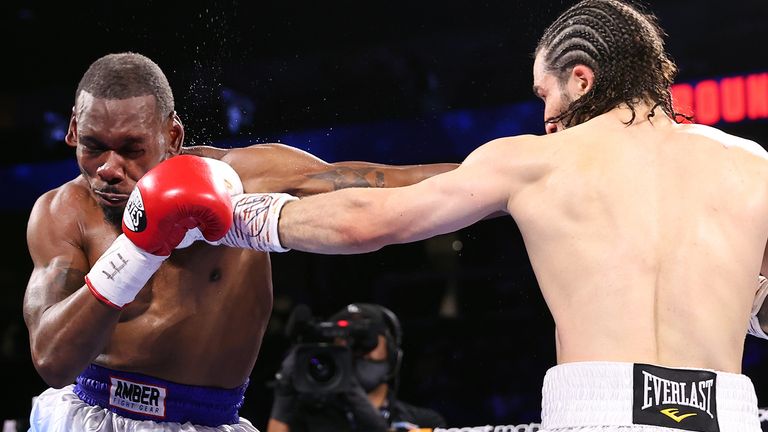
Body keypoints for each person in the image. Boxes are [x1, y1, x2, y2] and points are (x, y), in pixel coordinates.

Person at [243, 0, 768, 430]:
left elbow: (367, 219)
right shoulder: (753, 164)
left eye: (545, 94)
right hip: (725, 415)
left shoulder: (531, 160)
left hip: (599, 411)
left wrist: (243, 217)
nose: (545, 118)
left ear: (581, 80)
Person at [22, 52, 458, 431]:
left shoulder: (242, 178)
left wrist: (512, 179)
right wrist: (137, 249)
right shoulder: (63, 212)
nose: (109, 169)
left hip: (209, 421)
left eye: (132, 148)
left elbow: (398, 184)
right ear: (74, 130)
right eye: (94, 146)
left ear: (172, 136)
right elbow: (52, 361)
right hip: (90, 415)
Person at [266, 303, 447, 432]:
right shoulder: (307, 419)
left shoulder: (423, 421)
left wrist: (354, 395)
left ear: (392, 352)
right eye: (344, 342)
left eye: (365, 339)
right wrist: (285, 393)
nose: (354, 351)